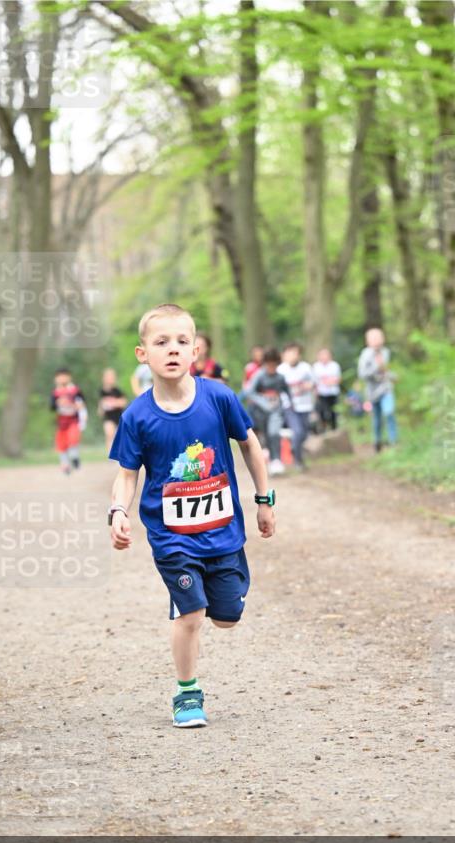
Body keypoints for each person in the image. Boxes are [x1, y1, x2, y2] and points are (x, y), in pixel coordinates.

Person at [108, 303, 275, 729]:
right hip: (171, 536)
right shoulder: (137, 416)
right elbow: (127, 475)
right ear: (142, 354)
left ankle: (202, 596)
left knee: (226, 618)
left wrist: (264, 499)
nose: (173, 349)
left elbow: (251, 446)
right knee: (192, 615)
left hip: (223, 532)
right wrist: (117, 511)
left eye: (182, 341)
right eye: (161, 342)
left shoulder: (218, 397)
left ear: (195, 351)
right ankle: (187, 694)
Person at [247, 348, 291, 477]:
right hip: (261, 412)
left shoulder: (280, 377)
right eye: (269, 364)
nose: (271, 368)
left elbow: (287, 391)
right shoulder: (259, 375)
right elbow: (250, 392)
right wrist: (264, 402)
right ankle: (270, 461)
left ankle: (277, 459)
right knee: (266, 435)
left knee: (274, 433)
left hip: (276, 410)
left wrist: (289, 405)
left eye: (274, 365)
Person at [357, 327, 398, 452]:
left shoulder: (386, 352)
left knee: (389, 412)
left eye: (379, 337)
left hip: (386, 388)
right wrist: (377, 367)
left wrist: (392, 376)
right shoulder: (365, 355)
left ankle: (393, 442)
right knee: (377, 419)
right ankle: (377, 441)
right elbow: (362, 374)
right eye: (374, 338)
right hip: (372, 392)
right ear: (368, 341)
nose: (377, 341)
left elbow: (385, 371)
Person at [278, 342, 315, 470]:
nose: (292, 356)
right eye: (289, 353)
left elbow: (313, 383)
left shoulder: (306, 368)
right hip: (289, 406)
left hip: (305, 405)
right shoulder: (281, 370)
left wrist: (307, 386)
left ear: (299, 355)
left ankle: (296, 448)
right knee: (297, 431)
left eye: (294, 353)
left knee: (304, 433)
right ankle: (298, 460)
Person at [50, 367, 86, 474]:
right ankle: (65, 464)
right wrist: (57, 403)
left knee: (73, 438)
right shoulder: (55, 393)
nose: (62, 379)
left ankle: (74, 457)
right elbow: (52, 407)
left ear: (69, 377)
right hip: (61, 422)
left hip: (73, 420)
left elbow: (82, 403)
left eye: (64, 376)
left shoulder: (75, 391)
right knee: (61, 444)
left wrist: (75, 405)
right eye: (60, 377)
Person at [312, 347, 342, 432]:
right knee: (323, 412)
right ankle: (323, 429)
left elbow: (338, 379)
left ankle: (334, 429)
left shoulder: (335, 365)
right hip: (322, 394)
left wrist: (330, 382)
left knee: (334, 412)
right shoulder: (316, 366)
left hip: (333, 393)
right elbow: (314, 381)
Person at [98, 368, 128, 451]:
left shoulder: (117, 391)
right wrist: (100, 410)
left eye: (112, 377)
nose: (110, 379)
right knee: (109, 433)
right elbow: (101, 403)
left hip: (118, 416)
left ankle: (118, 452)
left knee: (117, 435)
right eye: (108, 377)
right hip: (108, 417)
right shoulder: (101, 391)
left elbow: (123, 402)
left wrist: (115, 403)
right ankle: (110, 453)